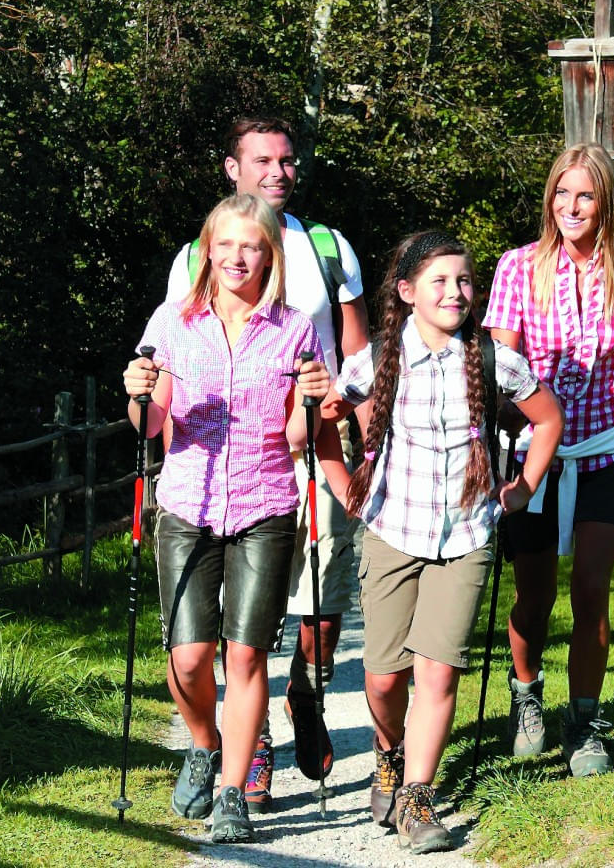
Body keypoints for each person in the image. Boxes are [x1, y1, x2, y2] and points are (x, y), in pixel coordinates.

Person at [326, 231, 564, 852]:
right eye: (439, 281)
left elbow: (548, 419)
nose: (456, 293)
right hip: (390, 530)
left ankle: (417, 796)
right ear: (407, 293)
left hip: (466, 534)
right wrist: (341, 483)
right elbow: (320, 420)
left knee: (438, 672)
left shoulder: (492, 359)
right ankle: (388, 753)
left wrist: (523, 488)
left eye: (463, 281)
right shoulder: (375, 359)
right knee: (382, 678)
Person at [126, 193, 343, 842]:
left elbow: (297, 437)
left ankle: (231, 794)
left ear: (269, 254)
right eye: (225, 245)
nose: (237, 257)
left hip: (265, 504)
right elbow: (151, 425)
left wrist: (314, 403)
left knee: (245, 656)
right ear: (206, 251)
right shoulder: (173, 322)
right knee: (189, 658)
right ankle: (203, 743)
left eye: (251, 245)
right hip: (187, 505)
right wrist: (139, 398)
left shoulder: (294, 328)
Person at [165, 117, 366, 806]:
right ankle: (247, 755)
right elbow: (176, 370)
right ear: (233, 169)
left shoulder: (326, 247)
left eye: (286, 161)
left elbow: (358, 356)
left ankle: (306, 693)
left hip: (323, 445)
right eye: (263, 161)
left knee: (324, 604)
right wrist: (176, 470)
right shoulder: (196, 257)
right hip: (234, 466)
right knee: (232, 636)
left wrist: (364, 442)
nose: (278, 172)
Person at [482, 143, 614, 778]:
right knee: (535, 593)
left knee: (591, 592)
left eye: (585, 195)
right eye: (561, 193)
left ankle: (584, 723)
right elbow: (503, 366)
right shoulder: (519, 267)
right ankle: (527, 700)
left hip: (609, 448)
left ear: (606, 204)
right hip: (534, 453)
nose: (571, 206)